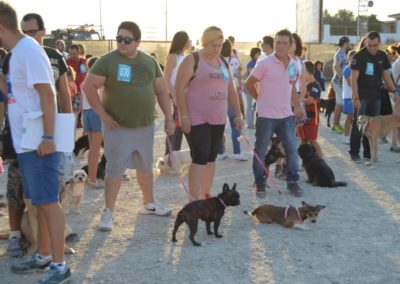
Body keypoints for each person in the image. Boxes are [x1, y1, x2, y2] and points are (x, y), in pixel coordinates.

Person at [0, 2, 71, 282]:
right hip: (27, 142)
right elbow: (15, 94)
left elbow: (48, 93)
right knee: (39, 202)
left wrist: (49, 137)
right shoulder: (17, 53)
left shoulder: (28, 50)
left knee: (49, 202)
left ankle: (60, 265)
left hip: (39, 142)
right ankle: (43, 255)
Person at [83, 21, 175, 232]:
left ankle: (149, 203)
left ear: (137, 42)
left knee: (145, 167)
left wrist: (169, 118)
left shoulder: (149, 62)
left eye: (127, 40)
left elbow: (161, 90)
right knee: (114, 170)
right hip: (118, 128)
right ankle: (108, 211)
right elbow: (89, 86)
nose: (122, 43)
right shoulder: (108, 61)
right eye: (119, 39)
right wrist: (103, 115)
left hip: (144, 125)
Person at [175, 26, 244, 200]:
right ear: (204, 42)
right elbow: (179, 88)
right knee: (200, 156)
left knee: (211, 157)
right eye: (213, 45)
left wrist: (238, 114)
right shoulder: (193, 59)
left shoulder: (223, 62)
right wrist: (183, 115)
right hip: (196, 117)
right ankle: (194, 198)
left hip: (218, 118)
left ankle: (205, 195)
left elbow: (231, 89)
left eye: (220, 45)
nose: (217, 48)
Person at [245, 29, 305, 198]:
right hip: (265, 116)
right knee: (261, 150)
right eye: (277, 42)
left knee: (292, 150)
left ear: (291, 45)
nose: (280, 46)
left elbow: (291, 86)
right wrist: (260, 99)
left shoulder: (294, 64)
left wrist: (298, 107)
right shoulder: (264, 63)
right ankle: (260, 183)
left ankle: (293, 182)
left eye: (284, 42)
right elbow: (249, 83)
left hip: (286, 116)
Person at [349, 31, 399, 162]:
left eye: (375, 45)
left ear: (379, 43)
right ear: (366, 42)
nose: (372, 48)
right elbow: (353, 79)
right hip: (361, 96)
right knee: (358, 124)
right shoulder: (359, 56)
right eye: (370, 45)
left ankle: (368, 153)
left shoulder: (382, 55)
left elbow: (386, 76)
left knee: (373, 127)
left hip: (376, 96)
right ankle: (354, 152)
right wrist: (355, 97)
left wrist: (394, 92)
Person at [163, 31, 191, 155]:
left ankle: (174, 157)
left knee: (180, 128)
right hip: (174, 97)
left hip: (184, 97)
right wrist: (174, 95)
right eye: (188, 39)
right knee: (175, 127)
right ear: (183, 42)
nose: (190, 42)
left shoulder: (187, 57)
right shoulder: (173, 57)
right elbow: (166, 78)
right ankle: (169, 158)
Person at [81, 57, 104, 188]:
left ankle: (91, 177)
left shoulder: (86, 80)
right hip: (95, 112)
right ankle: (93, 179)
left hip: (88, 113)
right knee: (95, 149)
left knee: (92, 149)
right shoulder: (97, 81)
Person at [298, 61, 322, 158]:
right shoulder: (303, 85)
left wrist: (298, 99)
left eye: (302, 73)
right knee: (303, 139)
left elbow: (309, 101)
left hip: (312, 118)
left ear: (307, 72)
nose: (300, 75)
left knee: (312, 140)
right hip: (303, 117)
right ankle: (305, 161)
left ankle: (320, 159)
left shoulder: (315, 85)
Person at [331, 36, 351, 134]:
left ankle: (337, 124)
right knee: (339, 103)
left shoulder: (343, 53)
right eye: (348, 42)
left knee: (339, 103)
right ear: (345, 43)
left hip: (338, 82)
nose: (349, 44)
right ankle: (335, 125)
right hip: (337, 82)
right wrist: (342, 78)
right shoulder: (340, 54)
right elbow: (336, 66)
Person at [342, 50, 356, 145]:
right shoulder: (347, 69)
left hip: (354, 96)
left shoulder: (355, 69)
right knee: (349, 116)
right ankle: (346, 137)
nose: (353, 61)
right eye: (351, 59)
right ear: (348, 59)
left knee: (354, 118)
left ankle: (354, 136)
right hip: (348, 96)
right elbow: (349, 83)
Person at [244, 47, 261, 129]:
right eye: (258, 54)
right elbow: (252, 75)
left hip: (256, 87)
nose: (259, 55)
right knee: (249, 106)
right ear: (254, 54)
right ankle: (249, 124)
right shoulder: (251, 63)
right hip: (250, 88)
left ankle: (253, 123)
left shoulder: (258, 62)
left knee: (254, 106)